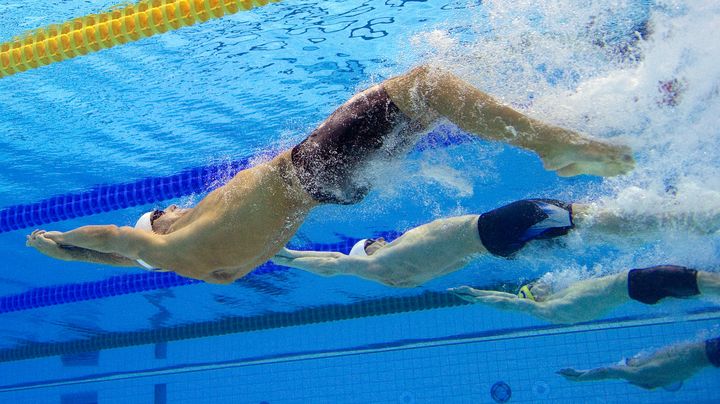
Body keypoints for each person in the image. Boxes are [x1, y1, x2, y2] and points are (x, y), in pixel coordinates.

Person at [25, 65, 634, 284]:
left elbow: (118, 256)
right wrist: (62, 240)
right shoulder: (175, 243)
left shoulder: (219, 270)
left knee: (426, 105)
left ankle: (559, 127)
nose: (178, 208)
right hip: (315, 167)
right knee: (429, 84)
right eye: (163, 215)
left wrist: (70, 257)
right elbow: (115, 240)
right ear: (158, 226)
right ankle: (554, 142)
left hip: (336, 188)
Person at [271, 197, 718, 288]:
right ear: (370, 253)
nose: (382, 241)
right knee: (587, 218)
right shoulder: (380, 264)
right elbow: (333, 263)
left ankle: (680, 222)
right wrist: (287, 256)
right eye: (376, 242)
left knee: (587, 225)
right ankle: (692, 217)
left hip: (500, 244)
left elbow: (338, 264)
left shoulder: (408, 277)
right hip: (495, 228)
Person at [450, 265, 720, 324]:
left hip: (640, 288)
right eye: (533, 289)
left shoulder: (563, 297)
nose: (540, 284)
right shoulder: (553, 310)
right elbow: (510, 305)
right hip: (641, 283)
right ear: (532, 298)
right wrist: (475, 293)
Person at [557, 336, 720, 390]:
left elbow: (611, 371)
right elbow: (610, 370)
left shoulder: (667, 372)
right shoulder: (648, 371)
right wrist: (579, 376)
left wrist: (580, 375)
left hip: (711, 353)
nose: (632, 359)